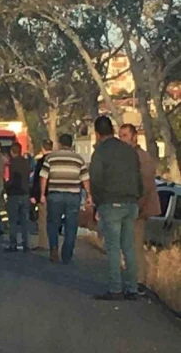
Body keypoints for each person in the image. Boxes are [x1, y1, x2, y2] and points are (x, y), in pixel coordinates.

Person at [91, 117, 144, 301]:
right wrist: (136, 197)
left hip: (111, 203)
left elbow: (96, 180)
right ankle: (132, 288)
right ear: (113, 130)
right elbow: (139, 177)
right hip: (131, 202)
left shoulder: (100, 152)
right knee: (128, 247)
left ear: (97, 134)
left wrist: (98, 203)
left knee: (113, 248)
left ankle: (115, 289)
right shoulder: (129, 151)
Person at [119, 123, 161, 295]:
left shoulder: (141, 157)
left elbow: (146, 185)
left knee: (135, 245)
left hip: (138, 208)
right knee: (129, 245)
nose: (122, 139)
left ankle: (139, 282)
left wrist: (138, 206)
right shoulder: (127, 155)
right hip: (130, 206)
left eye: (125, 135)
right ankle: (133, 280)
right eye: (120, 136)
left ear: (134, 136)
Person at [39, 134, 91, 264]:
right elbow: (85, 178)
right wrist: (89, 194)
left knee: (53, 223)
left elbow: (43, 177)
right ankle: (67, 253)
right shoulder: (78, 159)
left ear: (60, 144)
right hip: (73, 195)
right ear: (71, 144)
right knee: (71, 225)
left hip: (55, 194)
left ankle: (54, 248)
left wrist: (42, 194)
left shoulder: (51, 158)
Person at [5, 143, 32, 253]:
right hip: (25, 193)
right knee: (25, 220)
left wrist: (6, 187)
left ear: (12, 152)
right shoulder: (26, 162)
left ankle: (13, 244)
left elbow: (10, 180)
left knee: (13, 221)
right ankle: (26, 244)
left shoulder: (11, 164)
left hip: (14, 194)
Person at [31, 139, 53, 252]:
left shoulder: (41, 162)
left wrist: (35, 195)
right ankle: (53, 243)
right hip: (55, 194)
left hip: (44, 194)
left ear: (43, 148)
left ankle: (43, 243)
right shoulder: (55, 160)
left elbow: (37, 180)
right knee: (53, 220)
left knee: (42, 220)